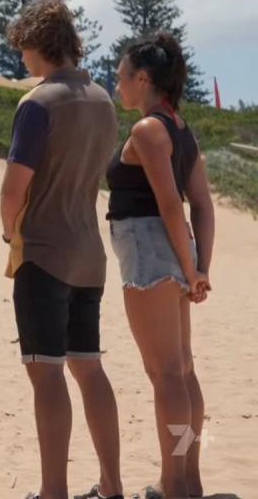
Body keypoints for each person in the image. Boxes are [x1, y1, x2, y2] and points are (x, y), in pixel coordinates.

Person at [0, 0, 124, 499]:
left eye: (23, 49)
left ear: (37, 44)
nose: (21, 59)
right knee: (89, 367)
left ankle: (54, 491)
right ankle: (112, 485)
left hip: (45, 251)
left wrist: (10, 231)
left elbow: (13, 189)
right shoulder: (103, 98)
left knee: (45, 373)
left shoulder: (38, 103)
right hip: (89, 252)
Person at [107, 32, 214, 499]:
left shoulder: (148, 130)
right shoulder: (180, 128)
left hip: (150, 249)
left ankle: (175, 483)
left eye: (121, 76)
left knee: (166, 375)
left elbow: (173, 205)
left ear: (143, 78)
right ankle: (186, 478)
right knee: (182, 371)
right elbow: (203, 207)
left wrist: (192, 272)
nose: (117, 84)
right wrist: (198, 266)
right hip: (176, 251)